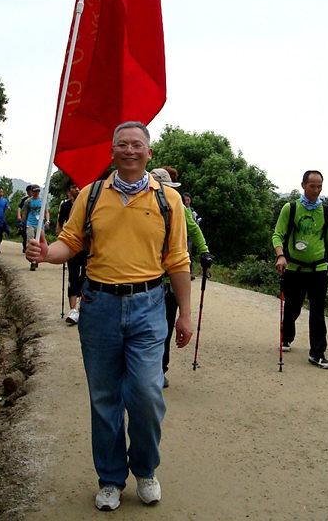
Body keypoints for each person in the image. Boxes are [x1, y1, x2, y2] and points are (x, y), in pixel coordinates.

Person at [26, 121, 191, 512]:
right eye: (122, 144)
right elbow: (70, 243)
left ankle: (146, 470)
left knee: (147, 393)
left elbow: (178, 260)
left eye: (137, 144)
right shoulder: (92, 193)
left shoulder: (168, 200)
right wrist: (45, 254)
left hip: (149, 305)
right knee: (104, 398)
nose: (129, 150)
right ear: (112, 152)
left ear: (149, 153)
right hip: (99, 306)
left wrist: (185, 314)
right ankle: (111, 479)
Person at [150, 168, 213, 388]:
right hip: (146, 279)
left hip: (170, 280)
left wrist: (204, 251)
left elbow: (194, 229)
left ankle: (159, 369)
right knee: (146, 327)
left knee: (165, 326)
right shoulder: (140, 205)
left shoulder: (178, 206)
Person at [272, 170, 328, 369]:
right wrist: (280, 255)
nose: (316, 190)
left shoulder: (327, 212)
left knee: (318, 311)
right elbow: (277, 234)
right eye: (312, 186)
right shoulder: (290, 208)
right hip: (295, 268)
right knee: (293, 305)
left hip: (318, 268)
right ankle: (287, 335)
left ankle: (317, 353)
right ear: (303, 185)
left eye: (319, 186)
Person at [57, 183, 86, 325]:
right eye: (74, 187)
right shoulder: (65, 205)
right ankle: (73, 310)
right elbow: (60, 224)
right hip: (72, 246)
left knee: (86, 276)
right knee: (73, 276)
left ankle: (82, 307)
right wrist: (61, 241)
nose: (77, 189)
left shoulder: (89, 202)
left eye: (78, 186)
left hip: (87, 247)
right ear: (69, 190)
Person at [24, 185, 49, 271]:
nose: (36, 193)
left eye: (38, 191)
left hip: (40, 224)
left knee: (39, 243)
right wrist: (22, 223)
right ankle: (32, 261)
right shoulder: (28, 201)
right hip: (30, 223)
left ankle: (36, 260)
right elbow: (25, 212)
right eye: (34, 191)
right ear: (32, 191)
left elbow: (46, 211)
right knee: (31, 242)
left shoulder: (42, 201)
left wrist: (47, 220)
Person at [17, 185, 34, 253]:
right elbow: (19, 207)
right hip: (25, 219)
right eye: (30, 192)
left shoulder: (37, 199)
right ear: (27, 192)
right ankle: (25, 246)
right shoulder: (24, 200)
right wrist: (19, 216)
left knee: (32, 233)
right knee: (24, 233)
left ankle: (30, 248)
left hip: (33, 219)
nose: (31, 193)